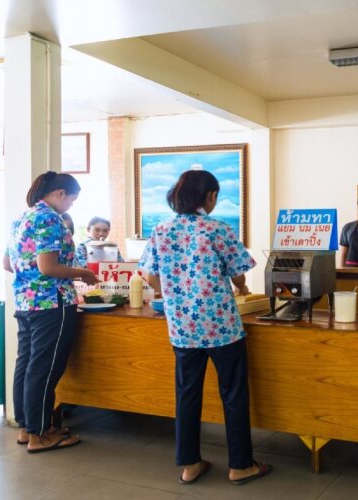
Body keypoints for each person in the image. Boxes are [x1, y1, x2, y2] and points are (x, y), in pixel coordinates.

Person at [138, 169, 272, 486]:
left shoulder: (161, 230)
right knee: (233, 393)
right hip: (221, 326)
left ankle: (190, 464)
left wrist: (175, 294)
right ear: (210, 196)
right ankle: (241, 466)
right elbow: (238, 273)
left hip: (182, 327)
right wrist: (240, 287)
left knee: (186, 394)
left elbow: (149, 275)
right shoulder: (218, 229)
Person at [8, 171, 100, 453]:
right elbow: (48, 267)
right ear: (60, 193)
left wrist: (31, 281)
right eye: (72, 199)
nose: (71, 205)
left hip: (26, 302)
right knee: (44, 369)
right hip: (52, 303)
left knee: (26, 365)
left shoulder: (23, 218)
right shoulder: (49, 218)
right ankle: (40, 435)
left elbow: (8, 262)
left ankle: (27, 428)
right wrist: (83, 273)